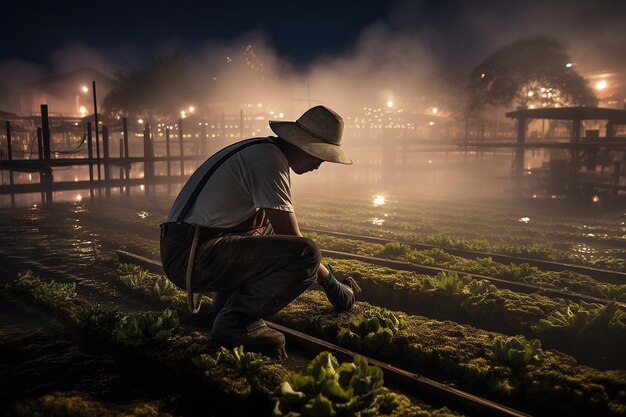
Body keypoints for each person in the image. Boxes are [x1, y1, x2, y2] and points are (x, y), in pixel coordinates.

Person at [160, 105, 360, 356]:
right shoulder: (269, 161)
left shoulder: (261, 150)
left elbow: (276, 235)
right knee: (306, 253)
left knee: (265, 230)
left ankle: (224, 309)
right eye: (320, 155)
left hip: (191, 247)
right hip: (190, 255)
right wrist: (331, 283)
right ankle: (235, 322)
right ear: (303, 145)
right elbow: (294, 241)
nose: (319, 164)